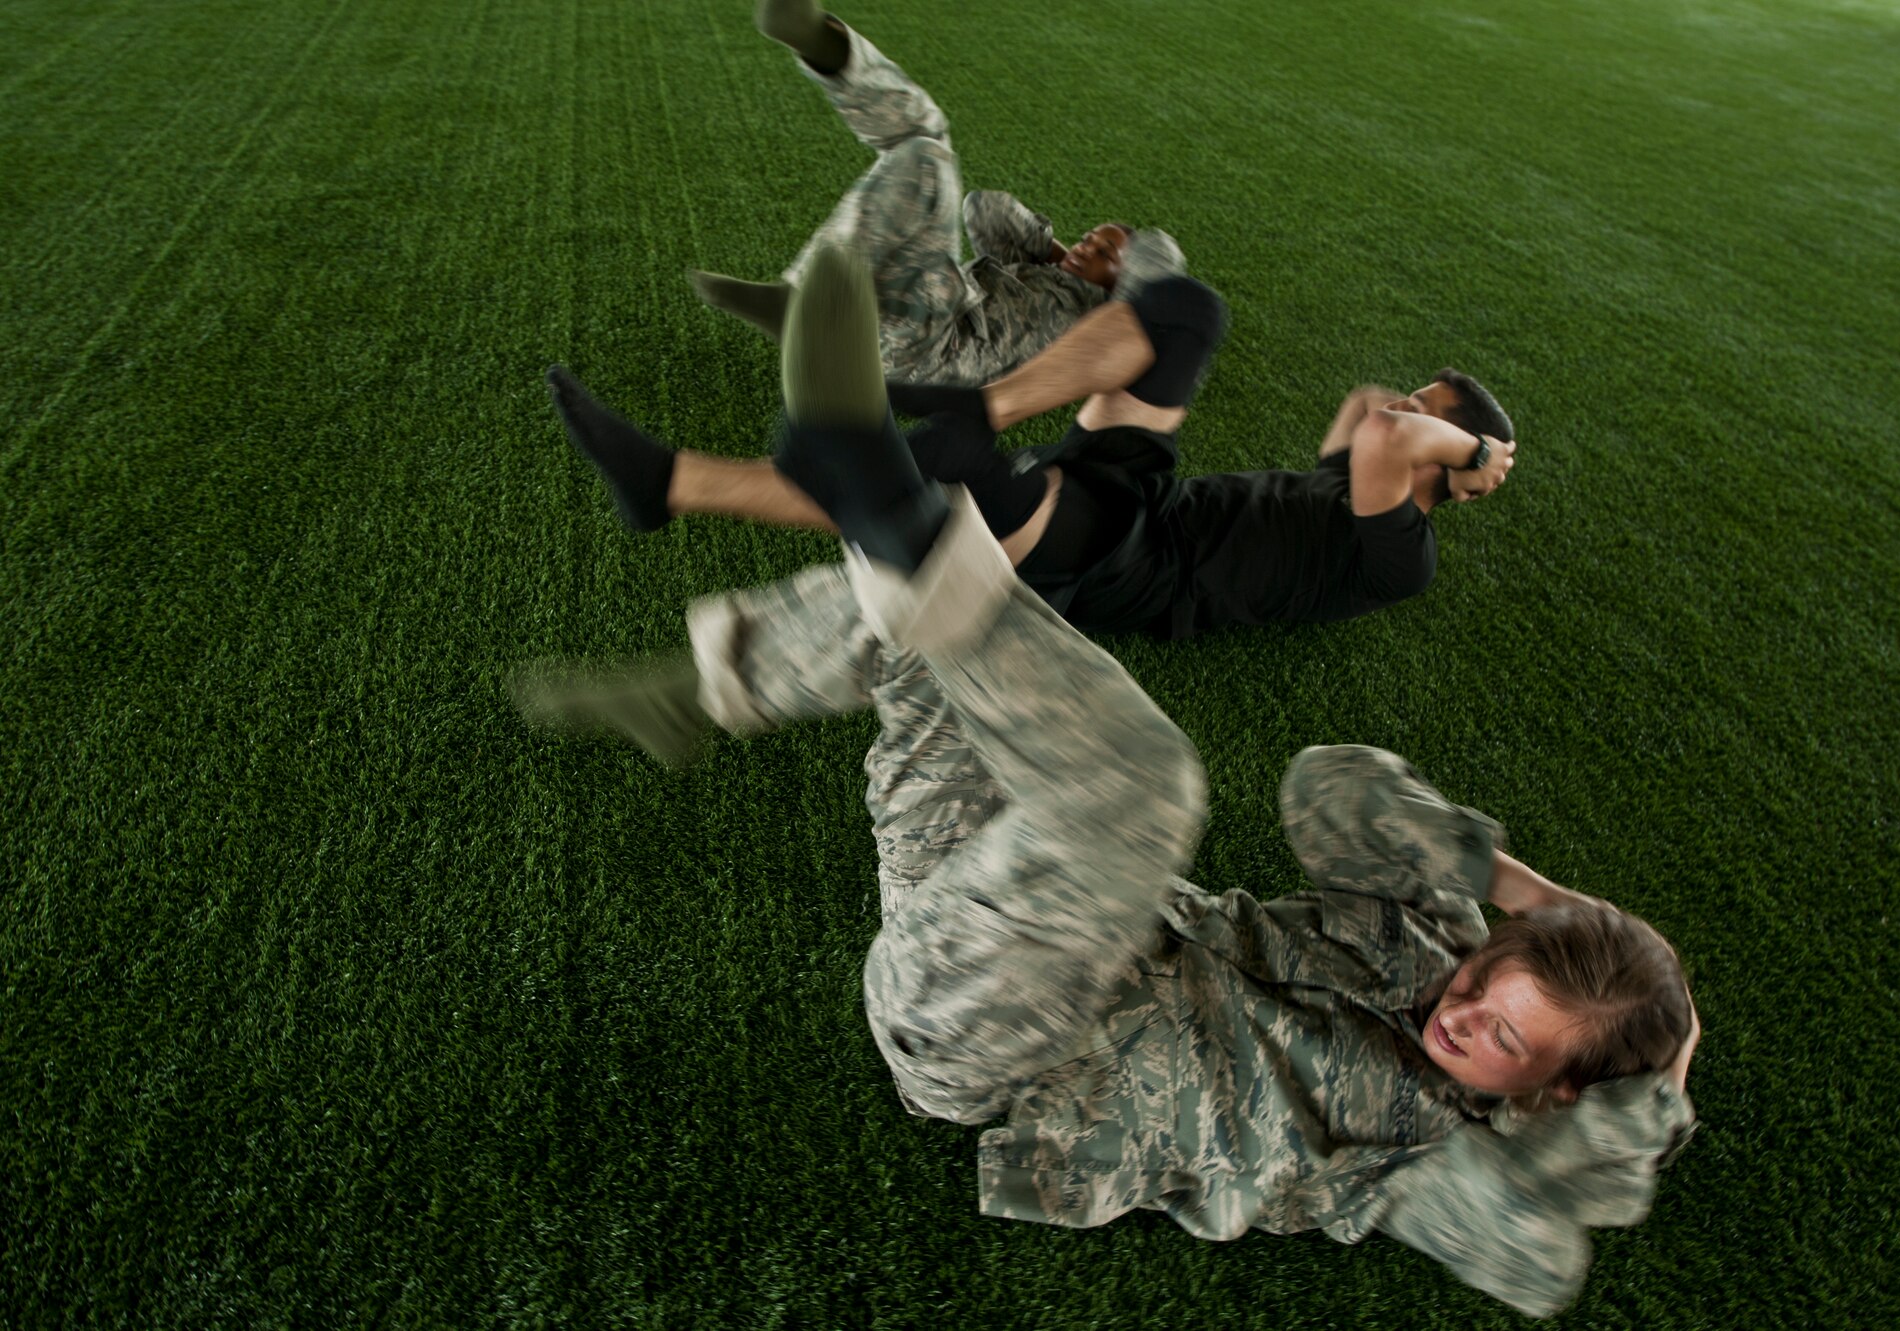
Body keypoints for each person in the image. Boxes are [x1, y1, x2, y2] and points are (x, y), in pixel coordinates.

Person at [514, 246, 1699, 1318]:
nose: (1462, 1013)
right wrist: (1526, 896)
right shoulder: (1428, 938)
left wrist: (1665, 1072)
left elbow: (1536, 1257)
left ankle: (898, 510)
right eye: (1491, 983)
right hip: (991, 878)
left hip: (993, 1033)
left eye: (1501, 1039)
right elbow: (1328, 788)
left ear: (1549, 1095)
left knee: (1146, 790)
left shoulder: (1429, 1152)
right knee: (994, 630)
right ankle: (720, 677)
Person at [547, 271, 1517, 639]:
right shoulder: (1348, 473)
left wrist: (1471, 443)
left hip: (1136, 568)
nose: (1392, 405)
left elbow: (1383, 433)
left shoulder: (1400, 555)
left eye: (1420, 412)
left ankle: (670, 479)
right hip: (1138, 492)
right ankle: (979, 408)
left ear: (1448, 472)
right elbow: (1362, 414)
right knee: (1189, 311)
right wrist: (1437, 421)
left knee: (931, 487)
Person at [690, 0, 1186, 384]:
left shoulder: (1092, 320)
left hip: (926, 351)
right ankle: (827, 49)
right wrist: (1055, 254)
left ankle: (807, 306)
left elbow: (1153, 278)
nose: (1086, 246)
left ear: (1125, 282)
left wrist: (1111, 278)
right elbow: (985, 209)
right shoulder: (1048, 272)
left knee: (928, 160)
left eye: (1105, 253)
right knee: (925, 135)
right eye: (1091, 237)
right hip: (912, 313)